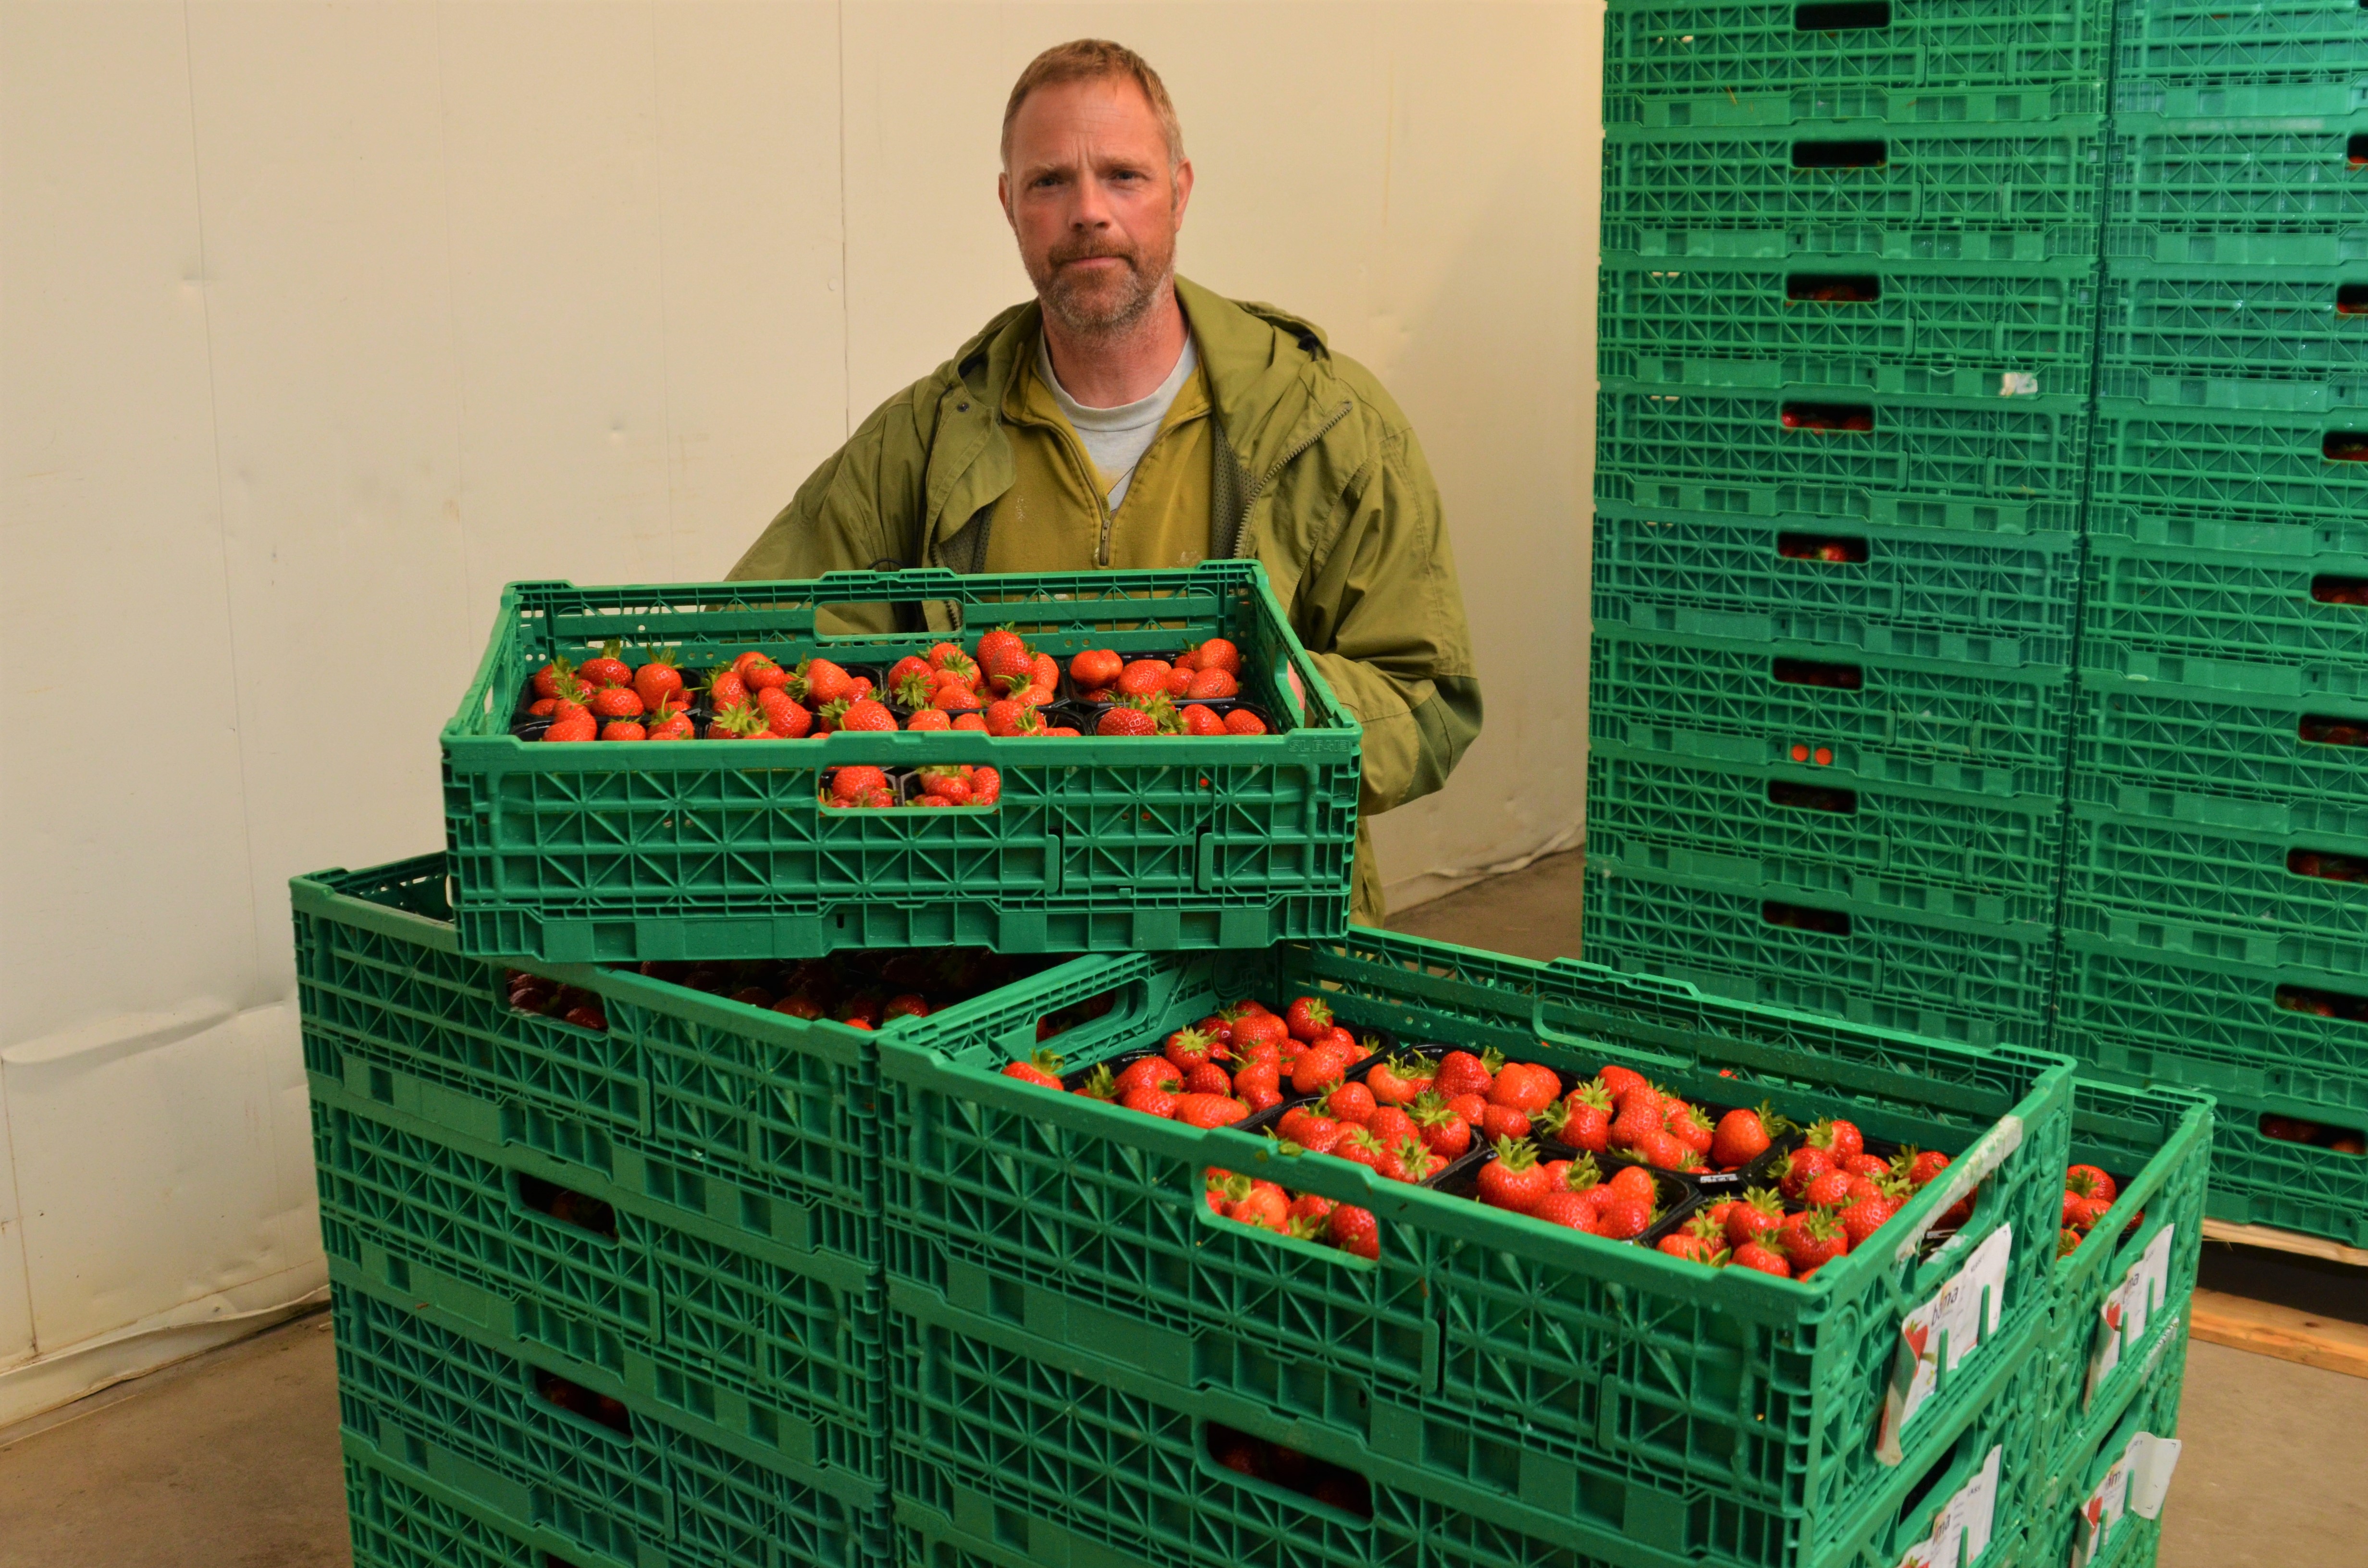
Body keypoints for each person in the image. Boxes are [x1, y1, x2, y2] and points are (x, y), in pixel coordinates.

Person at [729, 38, 1479, 924]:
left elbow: (1428, 698)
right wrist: (929, 736)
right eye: (1050, 182)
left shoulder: (1326, 423)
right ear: (1009, 205)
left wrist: (1243, 711)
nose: (1088, 212)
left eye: (1124, 176)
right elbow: (766, 653)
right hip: (994, 938)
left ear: (1181, 192)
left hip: (1261, 919)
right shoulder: (928, 437)